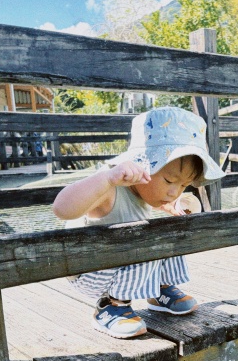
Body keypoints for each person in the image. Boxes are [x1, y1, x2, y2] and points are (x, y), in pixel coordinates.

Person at [52, 106, 225, 339]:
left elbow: (155, 205)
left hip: (120, 260)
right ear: (142, 163)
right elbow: (61, 209)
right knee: (145, 240)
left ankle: (159, 291)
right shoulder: (110, 189)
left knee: (167, 232)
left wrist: (173, 207)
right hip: (90, 271)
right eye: (169, 180)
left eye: (183, 185)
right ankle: (111, 305)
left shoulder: (145, 193)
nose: (175, 191)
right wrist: (106, 178)